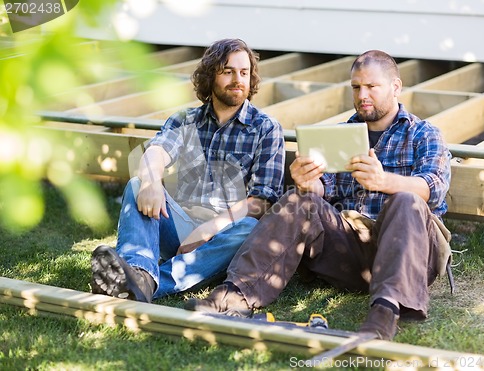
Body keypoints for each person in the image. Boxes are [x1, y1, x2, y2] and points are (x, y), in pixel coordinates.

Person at [184, 50, 452, 341]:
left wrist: (384, 180)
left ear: (395, 87)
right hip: (354, 252)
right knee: (298, 200)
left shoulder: (424, 134)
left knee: (406, 200)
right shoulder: (342, 134)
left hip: (410, 255)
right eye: (356, 87)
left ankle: (385, 312)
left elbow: (434, 188)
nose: (362, 95)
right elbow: (323, 191)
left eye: (372, 87)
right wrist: (306, 181)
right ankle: (235, 296)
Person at [90, 38, 285, 303]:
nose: (237, 79)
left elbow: (261, 201)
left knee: (250, 228)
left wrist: (207, 230)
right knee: (138, 184)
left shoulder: (267, 128)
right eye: (227, 71)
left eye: (244, 72)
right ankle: (138, 270)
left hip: (222, 237)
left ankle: (143, 283)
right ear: (210, 76)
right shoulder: (186, 120)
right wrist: (151, 183)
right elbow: (157, 151)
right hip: (178, 227)